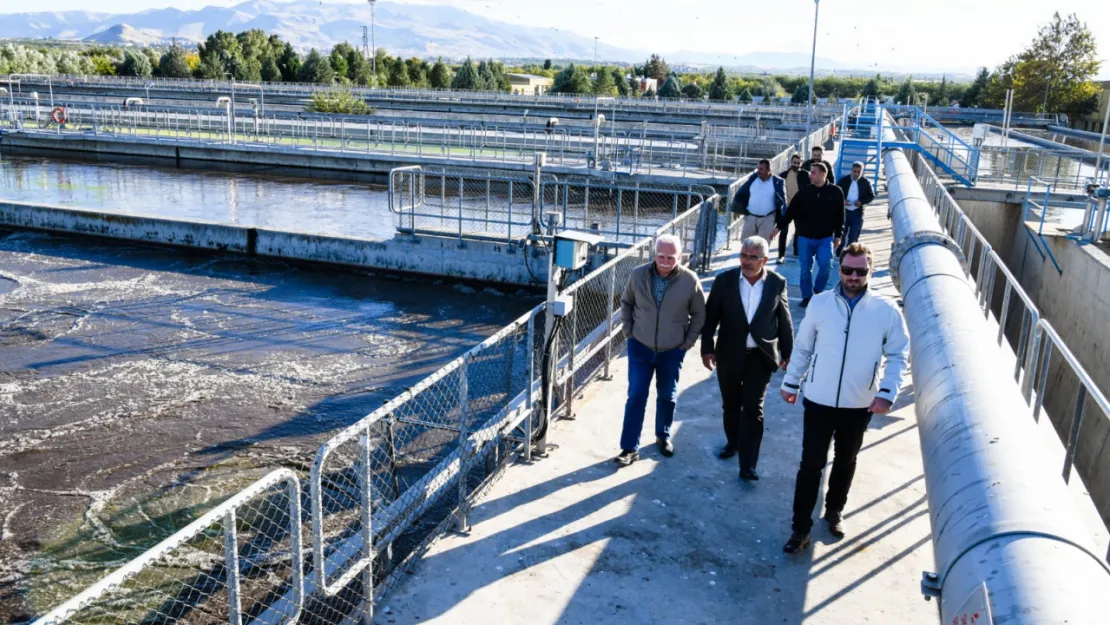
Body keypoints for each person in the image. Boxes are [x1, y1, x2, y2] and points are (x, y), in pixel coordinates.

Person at [779, 243, 910, 554]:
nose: (854, 276)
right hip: (819, 400)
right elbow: (803, 348)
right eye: (848, 270)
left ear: (870, 271)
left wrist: (887, 392)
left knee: (846, 460)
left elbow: (898, 355)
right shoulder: (821, 304)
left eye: (861, 271)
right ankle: (800, 528)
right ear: (839, 269)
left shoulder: (886, 311)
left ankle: (835, 511)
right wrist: (791, 383)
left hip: (859, 403)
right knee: (810, 464)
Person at [701, 236, 793, 481]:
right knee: (731, 405)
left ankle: (748, 464)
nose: (747, 261)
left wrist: (788, 353)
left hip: (761, 357)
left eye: (753, 257)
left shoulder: (776, 283)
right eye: (744, 255)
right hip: (729, 354)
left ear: (764, 260)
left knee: (753, 408)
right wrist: (706, 348)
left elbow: (784, 320)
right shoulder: (724, 282)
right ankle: (733, 442)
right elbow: (710, 319)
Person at [616, 234, 706, 466]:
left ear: (680, 257)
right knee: (636, 395)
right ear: (654, 255)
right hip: (640, 346)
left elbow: (699, 314)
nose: (665, 261)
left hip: (672, 349)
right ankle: (629, 448)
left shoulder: (690, 280)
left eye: (671, 257)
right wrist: (629, 331)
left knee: (667, 395)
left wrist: (687, 343)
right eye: (661, 256)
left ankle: (663, 435)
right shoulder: (638, 275)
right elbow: (626, 303)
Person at [771, 162, 844, 308]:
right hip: (804, 238)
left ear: (823, 174)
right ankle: (806, 296)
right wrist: (778, 227)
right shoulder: (804, 193)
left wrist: (838, 235)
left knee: (825, 265)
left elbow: (840, 215)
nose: (810, 175)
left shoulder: (836, 192)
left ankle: (817, 291)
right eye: (810, 172)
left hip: (825, 238)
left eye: (813, 173)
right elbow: (790, 212)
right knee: (805, 269)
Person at [731, 159, 787, 242]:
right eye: (758, 168)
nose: (758, 171)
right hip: (750, 217)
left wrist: (779, 226)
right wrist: (736, 207)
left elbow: (783, 203)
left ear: (769, 170)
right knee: (745, 243)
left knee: (763, 247)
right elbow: (742, 193)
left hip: (767, 218)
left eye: (761, 169)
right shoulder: (753, 178)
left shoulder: (778, 182)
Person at [835, 161, 875, 256]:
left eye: (859, 172)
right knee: (842, 235)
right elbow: (835, 193)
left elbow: (871, 196)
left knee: (854, 236)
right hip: (844, 212)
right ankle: (839, 252)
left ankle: (849, 254)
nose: (856, 174)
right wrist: (842, 201)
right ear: (851, 171)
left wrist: (861, 202)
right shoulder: (843, 181)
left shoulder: (866, 182)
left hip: (857, 212)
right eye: (854, 171)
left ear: (862, 172)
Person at [776, 153, 810, 263]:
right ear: (791, 162)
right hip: (786, 208)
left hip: (800, 207)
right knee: (783, 231)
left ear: (801, 163)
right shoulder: (783, 175)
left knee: (799, 230)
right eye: (794, 162)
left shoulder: (806, 175)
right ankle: (781, 254)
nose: (796, 165)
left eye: (798, 163)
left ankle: (796, 251)